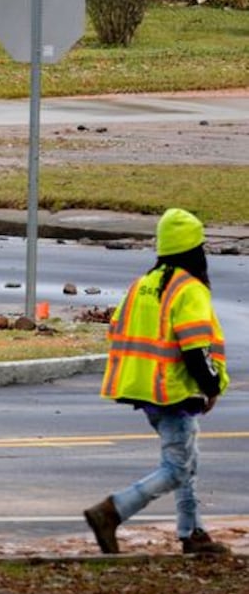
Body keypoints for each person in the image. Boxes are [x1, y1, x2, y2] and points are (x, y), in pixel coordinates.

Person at [83, 208, 231, 556]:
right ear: (195, 250)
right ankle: (111, 512)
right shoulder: (189, 289)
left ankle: (192, 534)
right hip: (175, 393)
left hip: (146, 390)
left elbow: (119, 329)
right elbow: (196, 350)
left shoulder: (144, 284)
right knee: (176, 469)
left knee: (187, 462)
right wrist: (212, 387)